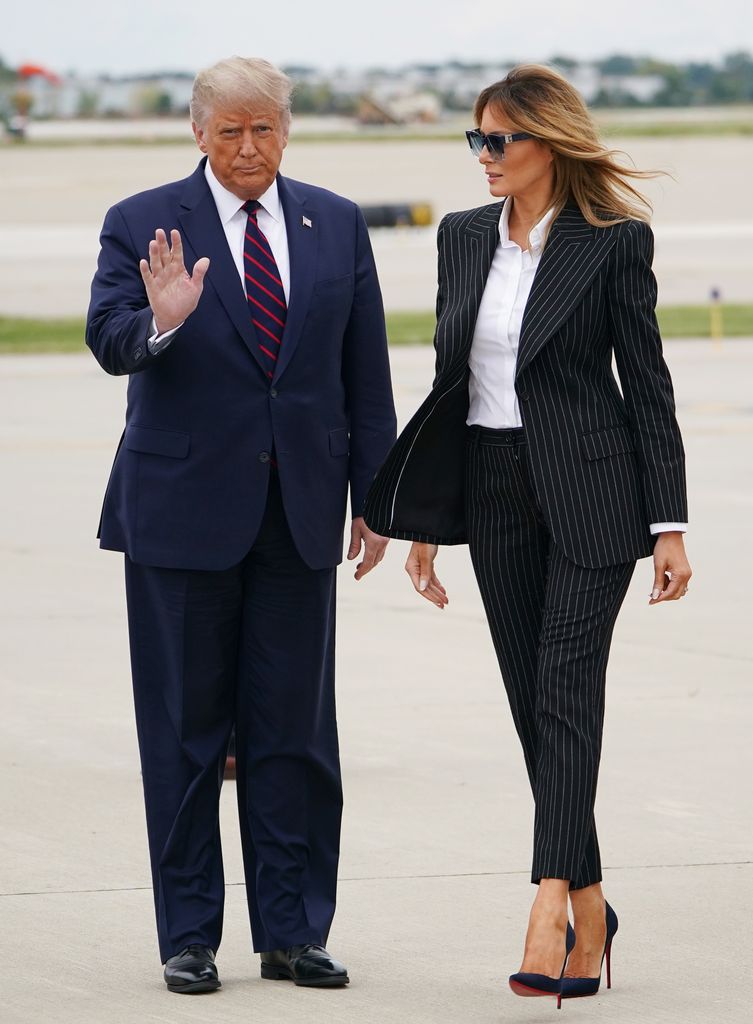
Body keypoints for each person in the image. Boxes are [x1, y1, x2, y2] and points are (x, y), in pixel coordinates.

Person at [363, 64, 691, 1005]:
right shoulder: (462, 237)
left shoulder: (613, 243)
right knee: (529, 702)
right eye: (476, 140)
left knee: (562, 688)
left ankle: (549, 904)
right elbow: (446, 376)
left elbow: (648, 386)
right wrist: (426, 517)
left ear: (548, 143)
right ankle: (594, 901)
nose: (484, 157)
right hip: (494, 488)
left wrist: (668, 523)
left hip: (593, 495)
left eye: (498, 140)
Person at [87, 56, 396, 994]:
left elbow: (363, 372)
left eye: (263, 128)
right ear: (198, 133)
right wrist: (164, 322)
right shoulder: (141, 222)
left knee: (294, 733)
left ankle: (293, 931)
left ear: (286, 128)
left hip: (298, 513)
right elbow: (109, 337)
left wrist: (375, 498)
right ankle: (189, 936)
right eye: (230, 130)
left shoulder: (335, 222)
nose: (248, 147)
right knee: (183, 733)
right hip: (181, 519)